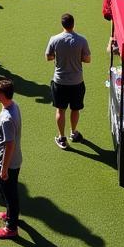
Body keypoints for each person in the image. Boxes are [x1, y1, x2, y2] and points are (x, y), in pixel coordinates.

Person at [45, 13, 91, 149]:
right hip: (77, 82)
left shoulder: (54, 39)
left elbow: (48, 57)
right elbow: (88, 59)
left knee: (61, 110)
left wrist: (57, 57)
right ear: (73, 24)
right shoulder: (82, 40)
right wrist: (78, 58)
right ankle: (73, 132)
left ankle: (61, 137)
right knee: (75, 109)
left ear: (62, 25)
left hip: (59, 82)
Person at [0, 79, 22, 240]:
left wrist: (4, 168)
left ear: (3, 95)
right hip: (13, 161)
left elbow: (9, 145)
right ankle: (11, 213)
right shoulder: (13, 105)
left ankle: (11, 227)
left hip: (7, 163)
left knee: (8, 193)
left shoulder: (7, 119)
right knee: (9, 192)